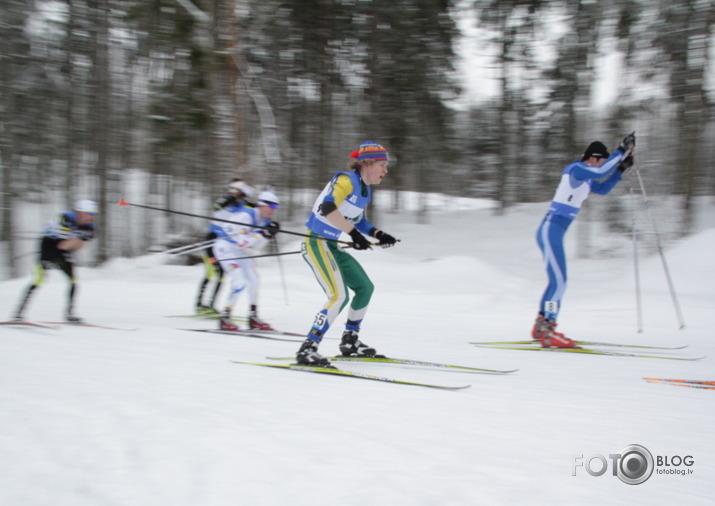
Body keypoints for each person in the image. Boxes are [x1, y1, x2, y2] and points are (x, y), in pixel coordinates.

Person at [296, 141, 399, 367]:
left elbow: (358, 221)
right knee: (338, 296)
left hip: (331, 246)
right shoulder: (345, 180)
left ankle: (350, 341)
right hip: (316, 244)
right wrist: (353, 235)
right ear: (367, 163)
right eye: (382, 164)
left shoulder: (364, 190)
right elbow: (328, 208)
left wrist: (378, 234)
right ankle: (308, 349)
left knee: (365, 287)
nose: (385, 170)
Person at [533, 133, 635, 347]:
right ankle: (549, 331)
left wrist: (620, 169)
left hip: (553, 231)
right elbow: (600, 172)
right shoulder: (576, 169)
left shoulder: (586, 178)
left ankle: (541, 326)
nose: (604, 164)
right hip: (550, 230)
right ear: (593, 158)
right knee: (560, 282)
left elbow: (603, 187)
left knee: (556, 282)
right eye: (603, 160)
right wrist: (620, 150)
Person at [13, 199, 99, 323]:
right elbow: (62, 245)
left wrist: (80, 240)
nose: (92, 217)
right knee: (39, 279)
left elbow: (76, 248)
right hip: (48, 244)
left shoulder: (89, 227)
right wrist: (79, 238)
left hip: (63, 249)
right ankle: (18, 314)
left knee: (73, 280)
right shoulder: (66, 218)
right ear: (79, 212)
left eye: (94, 214)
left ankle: (70, 314)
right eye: (89, 213)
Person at [212, 188, 280, 331]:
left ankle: (253, 317)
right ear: (262, 204)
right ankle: (225, 317)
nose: (273, 210)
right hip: (224, 248)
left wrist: (268, 235)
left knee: (254, 280)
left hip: (238, 250)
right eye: (272, 206)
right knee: (240, 282)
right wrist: (263, 234)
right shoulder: (246, 216)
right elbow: (243, 242)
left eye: (276, 207)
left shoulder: (264, 220)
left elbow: (257, 247)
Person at [195, 179, 256, 314]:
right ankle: (200, 304)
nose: (233, 193)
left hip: (222, 243)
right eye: (232, 190)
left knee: (221, 274)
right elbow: (218, 206)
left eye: (237, 191)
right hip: (212, 240)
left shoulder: (243, 205)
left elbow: (253, 208)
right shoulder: (224, 200)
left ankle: (210, 305)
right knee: (212, 272)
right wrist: (236, 197)